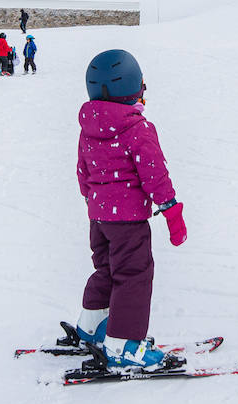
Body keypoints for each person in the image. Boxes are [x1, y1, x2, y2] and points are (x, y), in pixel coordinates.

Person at [72, 49, 187, 370]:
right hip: (128, 222)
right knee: (134, 275)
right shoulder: (137, 128)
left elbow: (83, 170)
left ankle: (92, 326)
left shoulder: (89, 127)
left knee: (107, 269)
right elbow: (155, 174)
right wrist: (172, 212)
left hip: (99, 217)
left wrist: (91, 201)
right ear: (136, 86)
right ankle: (123, 344)